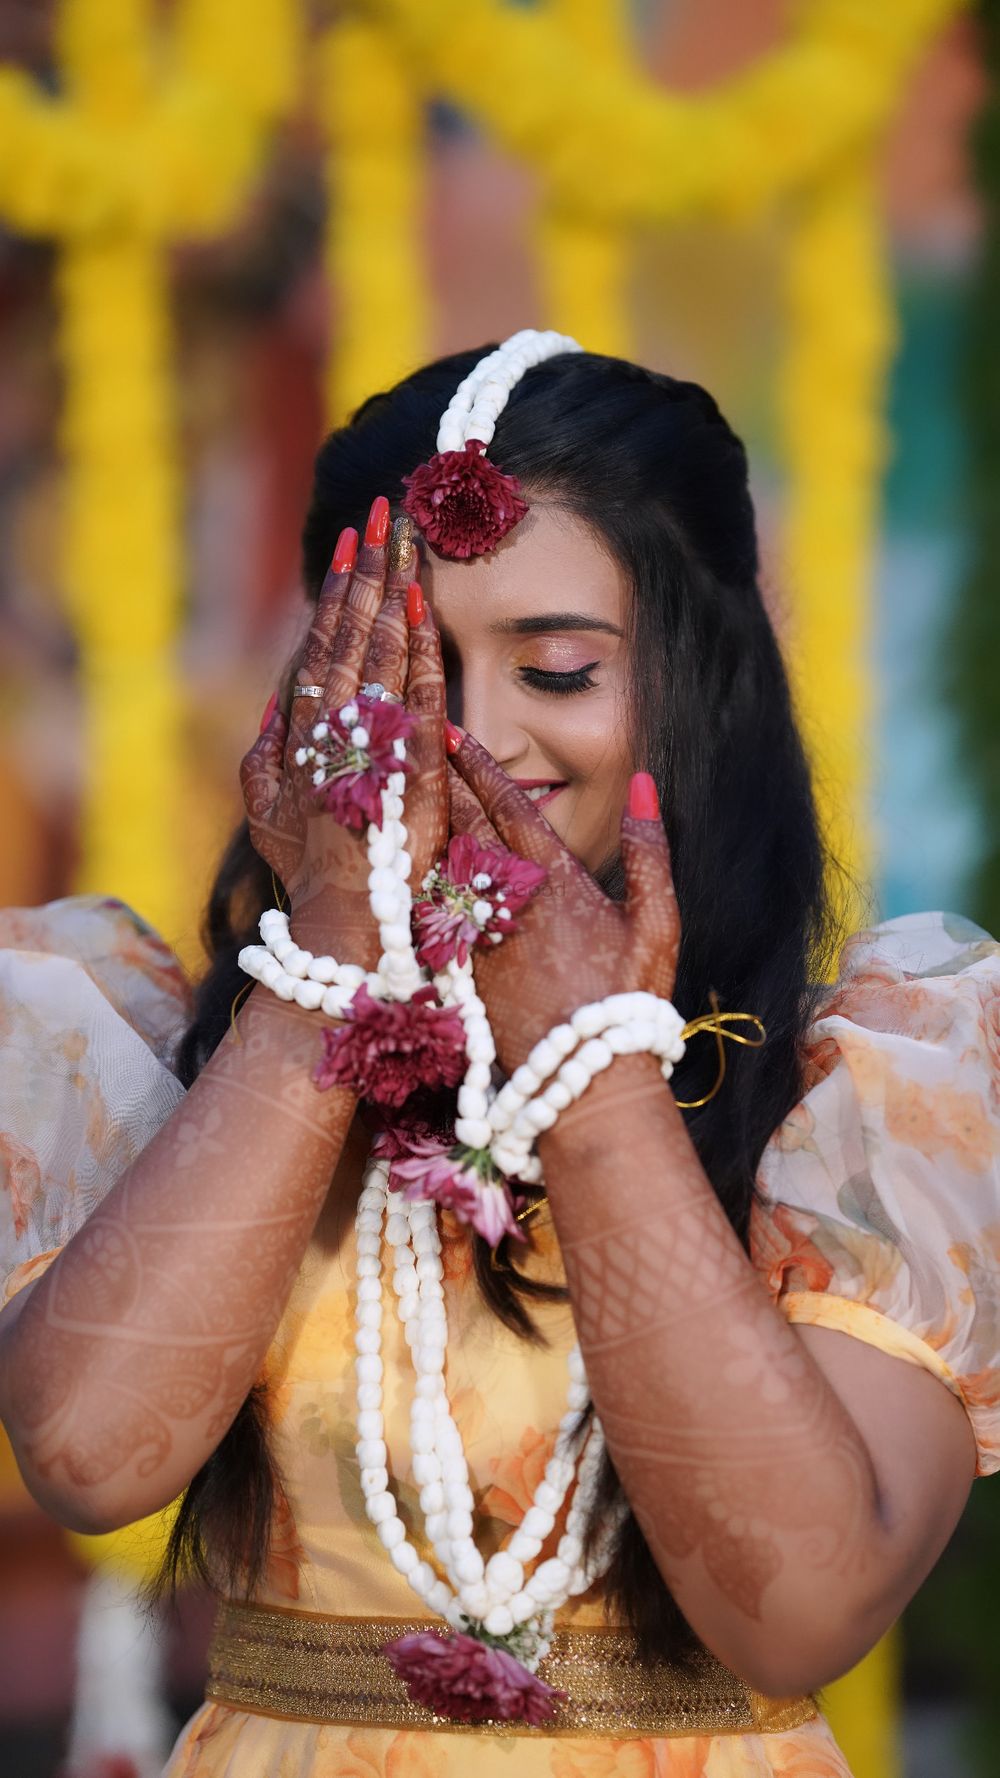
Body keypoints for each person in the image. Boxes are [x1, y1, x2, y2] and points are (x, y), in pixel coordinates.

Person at [1, 332, 997, 1778]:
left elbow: (801, 1610)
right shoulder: (171, 1055)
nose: (470, 739)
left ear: (690, 693)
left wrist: (598, 1087)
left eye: (556, 667)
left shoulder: (860, 1089)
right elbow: (90, 1458)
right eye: (402, 669)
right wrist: (325, 969)